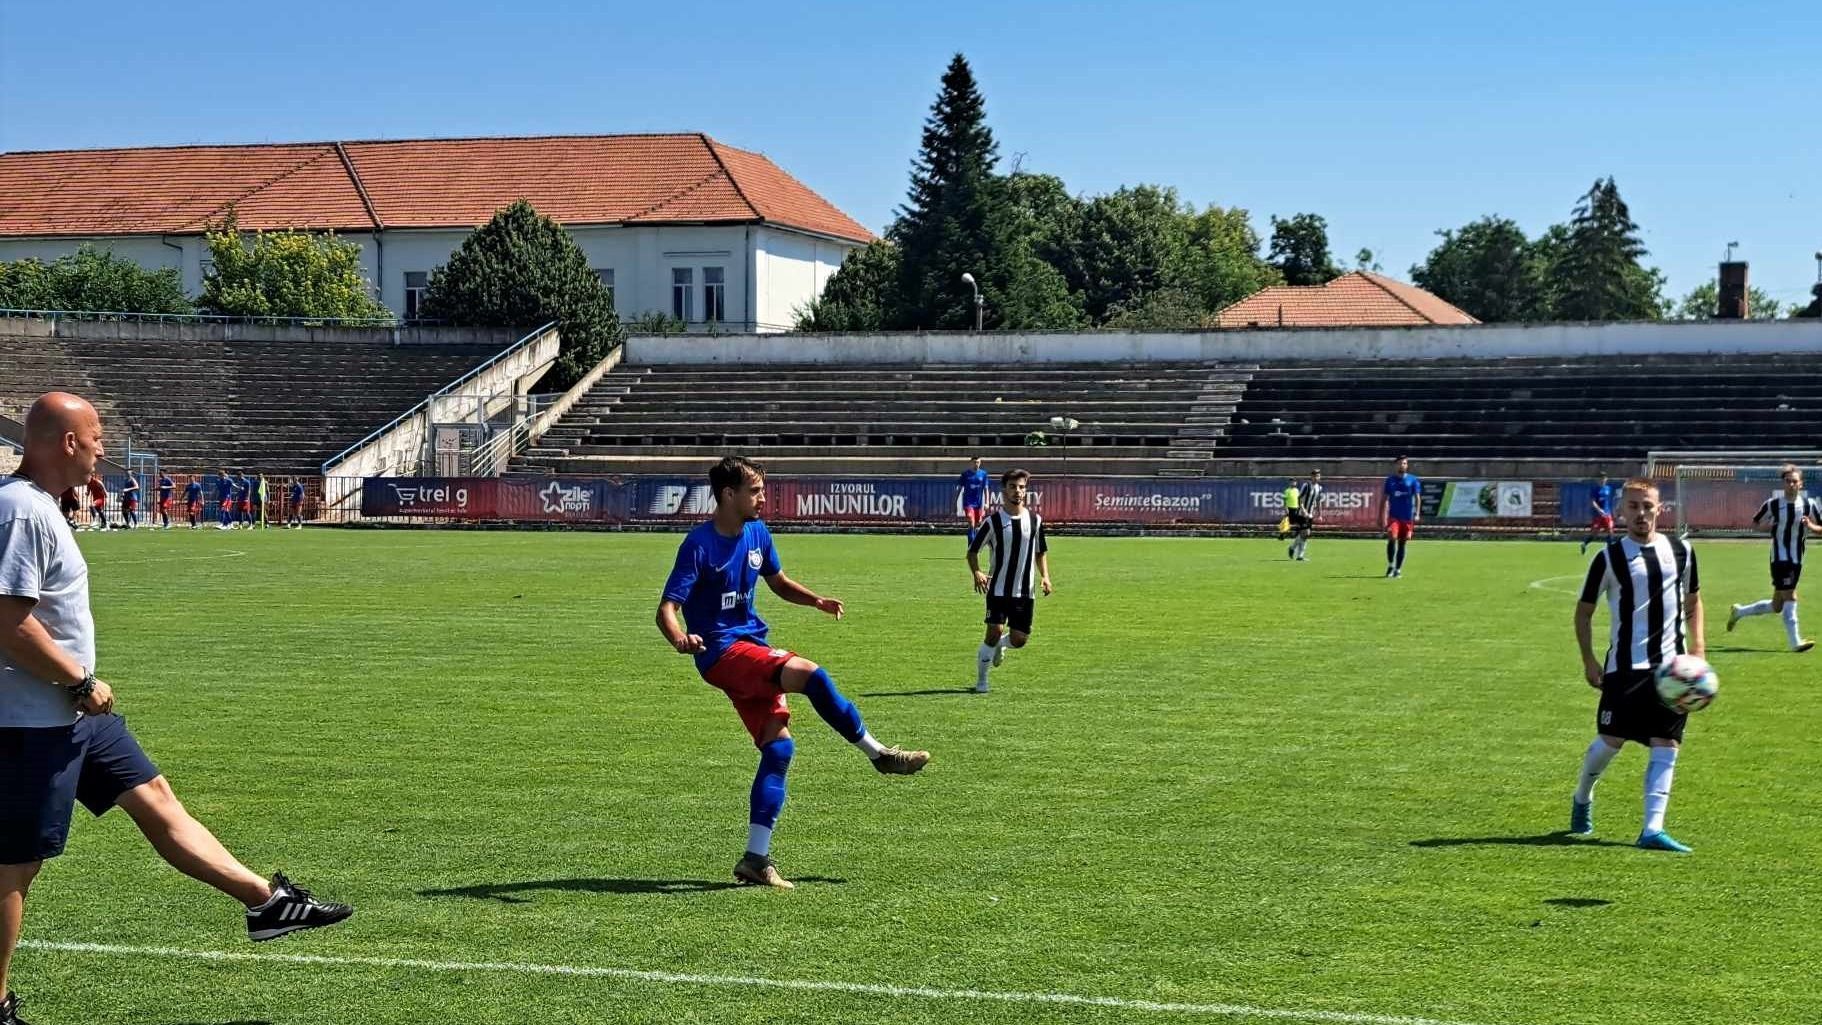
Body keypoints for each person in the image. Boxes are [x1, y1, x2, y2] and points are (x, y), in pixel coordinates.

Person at [1, 394, 352, 1025]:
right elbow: (6, 623)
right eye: (97, 437)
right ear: (67, 443)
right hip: (35, 720)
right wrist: (81, 681)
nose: (105, 448)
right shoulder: (19, 510)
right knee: (15, 864)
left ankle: (264, 903)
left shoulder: (39, 507)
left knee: (154, 793)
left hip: (74, 716)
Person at [656, 456, 929, 890]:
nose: (763, 498)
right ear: (729, 495)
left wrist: (816, 600)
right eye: (755, 491)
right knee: (811, 674)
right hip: (723, 655)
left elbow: (778, 582)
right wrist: (679, 638)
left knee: (779, 751)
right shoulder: (699, 545)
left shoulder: (758, 533)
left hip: (750, 649)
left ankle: (755, 859)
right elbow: (667, 608)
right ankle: (880, 755)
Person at [1570, 477, 1704, 853]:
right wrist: (1589, 659)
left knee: (1667, 743)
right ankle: (1582, 796)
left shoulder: (1683, 551)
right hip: (1625, 668)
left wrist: (1699, 649)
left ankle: (1652, 829)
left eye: (1647, 506)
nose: (1641, 513)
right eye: (1633, 506)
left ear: (1659, 509)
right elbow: (1583, 614)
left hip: (1672, 669)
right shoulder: (1609, 557)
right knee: (1611, 741)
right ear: (1621, 510)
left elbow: (1694, 601)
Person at [967, 469, 1052, 693]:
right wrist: (977, 572)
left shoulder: (1035, 520)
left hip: (1025, 591)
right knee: (993, 631)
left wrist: (1045, 577)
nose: (1018, 491)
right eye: (1013, 487)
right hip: (998, 588)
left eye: (1022, 487)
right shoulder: (993, 521)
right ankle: (982, 681)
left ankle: (1001, 646)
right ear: (1004, 490)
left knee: (1019, 640)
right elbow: (973, 551)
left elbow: (1040, 552)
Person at [1726, 463, 1821, 652]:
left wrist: (1810, 526)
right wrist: (1770, 527)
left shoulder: (1809, 505)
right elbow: (1755, 524)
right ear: (1783, 483)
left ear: (1801, 484)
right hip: (1779, 557)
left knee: (1777, 605)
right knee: (1791, 595)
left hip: (1797, 558)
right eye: (1788, 481)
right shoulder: (1773, 505)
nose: (1791, 484)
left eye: (1794, 481)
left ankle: (1739, 612)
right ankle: (1795, 642)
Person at [1381, 456, 1421, 578]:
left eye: (1404, 463)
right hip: (1394, 517)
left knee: (1402, 543)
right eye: (1399, 463)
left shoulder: (1412, 480)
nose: (1402, 465)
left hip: (1407, 518)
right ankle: (1390, 565)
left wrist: (1417, 513)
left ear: (1407, 465)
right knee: (1392, 538)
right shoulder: (1390, 481)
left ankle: (1398, 569)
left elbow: (1417, 498)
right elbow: (1384, 500)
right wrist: (1381, 517)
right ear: (1396, 465)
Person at [1580, 472, 1619, 555]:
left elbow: (1614, 498)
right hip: (1598, 515)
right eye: (1600, 478)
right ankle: (1584, 544)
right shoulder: (1595, 489)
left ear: (1606, 479)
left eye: (1604, 478)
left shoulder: (1609, 488)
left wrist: (1615, 511)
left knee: (1610, 531)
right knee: (1594, 533)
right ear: (1598, 480)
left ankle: (1610, 550)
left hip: (1607, 514)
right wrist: (1599, 510)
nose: (1602, 480)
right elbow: (1593, 501)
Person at [1289, 469, 1323, 562]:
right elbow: (1299, 498)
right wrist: (1303, 510)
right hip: (1302, 513)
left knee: (1304, 534)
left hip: (1310, 514)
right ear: (1311, 476)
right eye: (1315, 476)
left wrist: (1320, 514)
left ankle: (1294, 549)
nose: (1317, 478)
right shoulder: (1306, 485)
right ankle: (1298, 554)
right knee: (1306, 533)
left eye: (1318, 476)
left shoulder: (1319, 488)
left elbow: (1319, 501)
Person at [956, 456, 991, 546]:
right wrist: (954, 501)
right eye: (974, 462)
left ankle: (972, 546)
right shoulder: (965, 474)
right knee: (971, 523)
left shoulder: (983, 474)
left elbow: (986, 489)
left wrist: (987, 502)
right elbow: (959, 488)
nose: (976, 464)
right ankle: (971, 547)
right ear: (971, 463)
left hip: (979, 504)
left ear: (980, 463)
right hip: (968, 503)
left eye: (978, 462)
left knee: (976, 524)